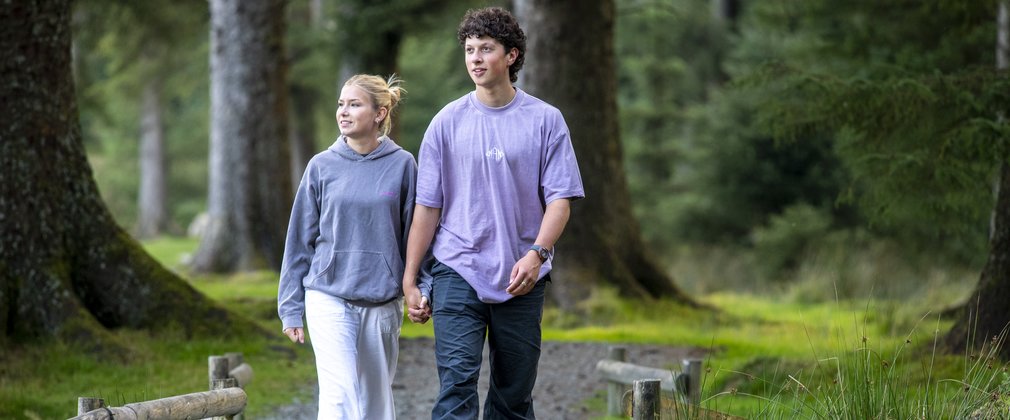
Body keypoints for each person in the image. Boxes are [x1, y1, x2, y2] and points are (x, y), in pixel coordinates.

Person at [401, 7, 585, 419]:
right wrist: (411, 277)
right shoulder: (446, 123)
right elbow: (428, 207)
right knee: (457, 384)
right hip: (456, 268)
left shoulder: (545, 121)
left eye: (486, 49)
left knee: (513, 394)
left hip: (522, 272)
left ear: (512, 56)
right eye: (469, 50)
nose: (476, 59)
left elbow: (560, 200)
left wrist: (537, 254)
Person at [278, 74, 414, 419]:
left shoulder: (403, 165)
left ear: (380, 113)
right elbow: (299, 243)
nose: (344, 111)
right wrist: (291, 307)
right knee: (339, 396)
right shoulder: (321, 167)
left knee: (375, 404)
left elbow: (416, 237)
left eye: (355, 104)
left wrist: (419, 286)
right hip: (327, 295)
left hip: (382, 300)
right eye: (341, 104)